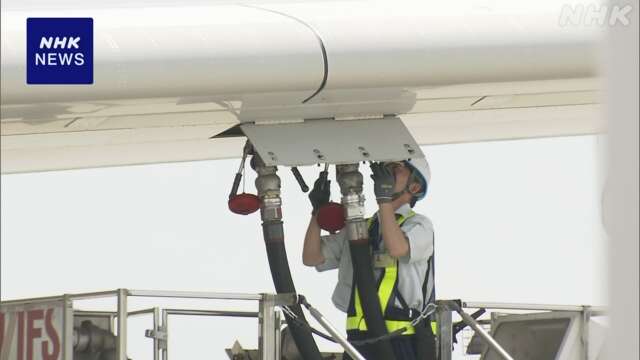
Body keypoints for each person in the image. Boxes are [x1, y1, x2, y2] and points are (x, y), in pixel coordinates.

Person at [302, 159, 437, 360]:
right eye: (386, 168)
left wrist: (384, 200)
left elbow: (397, 248)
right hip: (359, 341)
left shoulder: (420, 225)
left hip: (404, 342)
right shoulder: (360, 228)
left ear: (415, 186)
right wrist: (317, 212)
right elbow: (311, 257)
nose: (388, 173)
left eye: (397, 169)